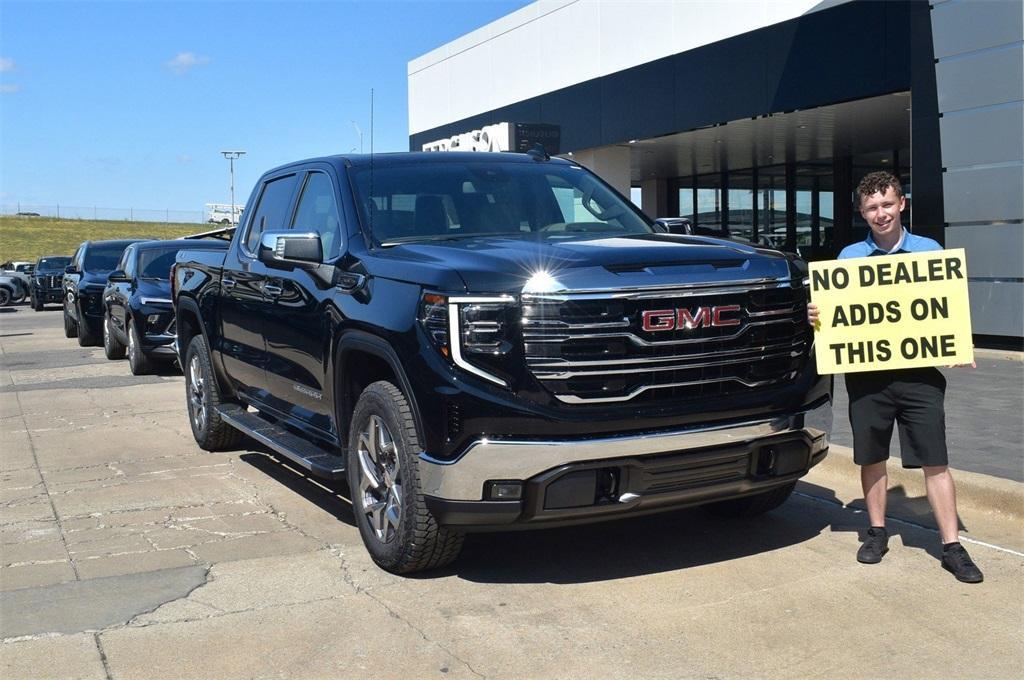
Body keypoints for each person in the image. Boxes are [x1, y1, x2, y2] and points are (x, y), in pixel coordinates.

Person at [807, 171, 983, 583]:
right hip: (868, 378)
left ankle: (952, 546)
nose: (881, 213)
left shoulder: (929, 251)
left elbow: (944, 308)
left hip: (920, 377)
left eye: (887, 204)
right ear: (862, 213)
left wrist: (956, 344)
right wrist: (815, 316)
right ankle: (876, 533)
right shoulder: (849, 259)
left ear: (901, 203)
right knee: (872, 458)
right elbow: (836, 315)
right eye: (872, 208)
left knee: (935, 461)